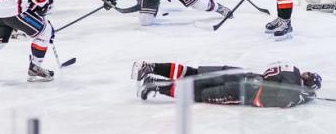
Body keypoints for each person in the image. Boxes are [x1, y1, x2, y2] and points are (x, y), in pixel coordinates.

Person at [133, 60, 321, 107]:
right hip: (242, 92)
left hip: (240, 73)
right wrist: (302, 97)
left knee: (195, 72)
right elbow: (282, 100)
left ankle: (151, 68)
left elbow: (269, 73)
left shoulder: (291, 68)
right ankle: (154, 85)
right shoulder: (295, 90)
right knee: (196, 93)